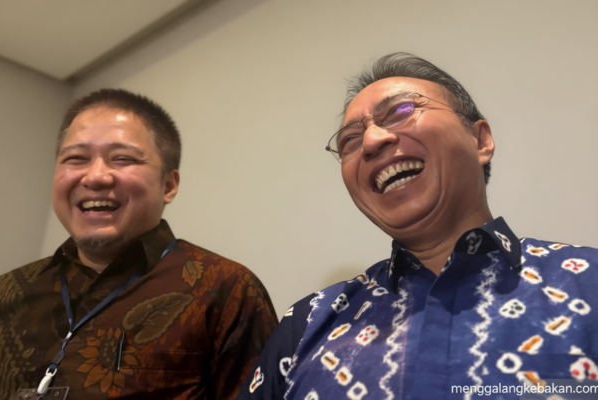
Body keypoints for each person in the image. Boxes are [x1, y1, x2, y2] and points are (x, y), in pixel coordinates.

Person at [237, 53, 598, 400]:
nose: (372, 141)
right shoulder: (305, 325)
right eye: (350, 140)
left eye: (401, 111)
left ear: (480, 140)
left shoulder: (588, 282)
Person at [0, 89, 277, 400]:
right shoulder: (6, 290)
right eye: (75, 158)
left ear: (168, 185)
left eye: (123, 159)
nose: (96, 177)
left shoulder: (227, 289)